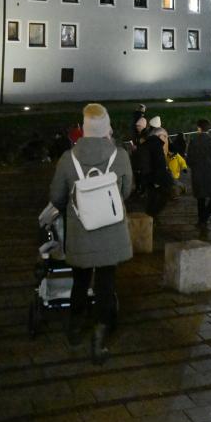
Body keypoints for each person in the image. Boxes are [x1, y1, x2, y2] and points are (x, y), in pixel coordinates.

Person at [48, 103, 133, 365]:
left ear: (83, 129)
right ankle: (99, 336)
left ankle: (74, 329)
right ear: (107, 128)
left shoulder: (68, 158)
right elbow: (127, 190)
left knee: (80, 281)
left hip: (81, 231)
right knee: (106, 284)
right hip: (111, 231)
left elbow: (56, 197)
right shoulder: (119, 156)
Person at [187, 118, 211, 233]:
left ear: (199, 128)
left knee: (200, 198)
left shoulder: (193, 141)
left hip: (197, 175)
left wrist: (195, 166)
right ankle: (204, 219)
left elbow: (189, 160)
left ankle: (201, 220)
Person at [140, 127, 172, 217]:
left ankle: (150, 217)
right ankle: (151, 217)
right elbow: (159, 163)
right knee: (164, 195)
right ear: (159, 135)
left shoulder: (148, 143)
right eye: (165, 136)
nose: (166, 139)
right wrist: (157, 181)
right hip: (155, 178)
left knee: (152, 199)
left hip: (148, 177)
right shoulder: (156, 144)